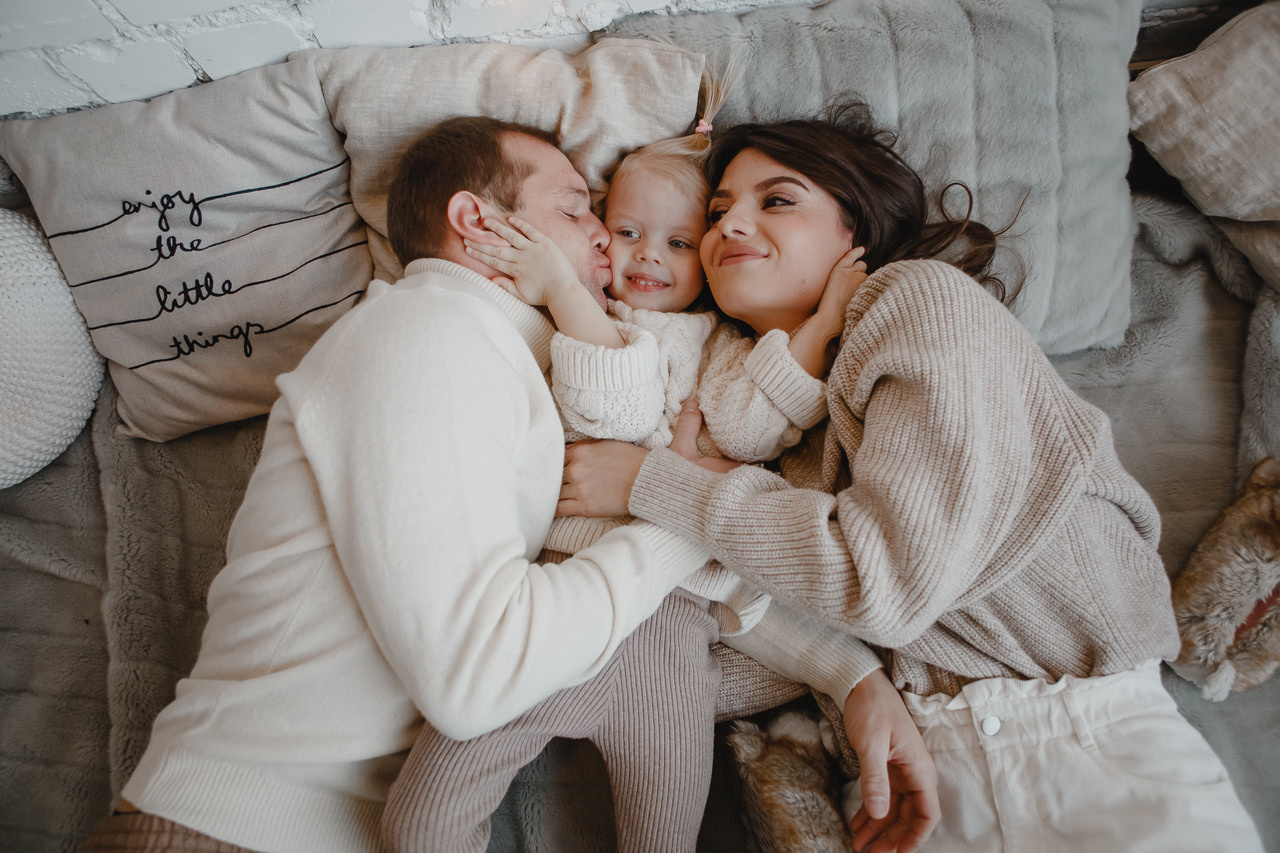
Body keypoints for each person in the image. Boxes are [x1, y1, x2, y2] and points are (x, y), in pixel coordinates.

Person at [80, 114, 932, 853]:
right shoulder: (427, 332)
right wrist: (678, 507)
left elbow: (650, 589)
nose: (605, 233)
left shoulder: (526, 360)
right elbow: (478, 675)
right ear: (475, 220)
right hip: (230, 827)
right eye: (574, 207)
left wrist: (848, 674)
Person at [556, 97, 1266, 851]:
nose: (729, 224)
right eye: (720, 209)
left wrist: (659, 487)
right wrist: (847, 679)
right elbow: (727, 647)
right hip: (909, 791)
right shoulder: (765, 432)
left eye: (777, 201)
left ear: (853, 229)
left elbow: (882, 582)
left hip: (1096, 758)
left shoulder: (919, 303)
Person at [382, 92, 927, 852]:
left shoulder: (717, 344)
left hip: (675, 631)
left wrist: (819, 328)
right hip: (559, 596)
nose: (645, 256)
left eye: (677, 242)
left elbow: (742, 423)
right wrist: (568, 291)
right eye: (626, 231)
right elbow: (608, 409)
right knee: (419, 824)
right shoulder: (560, 322)